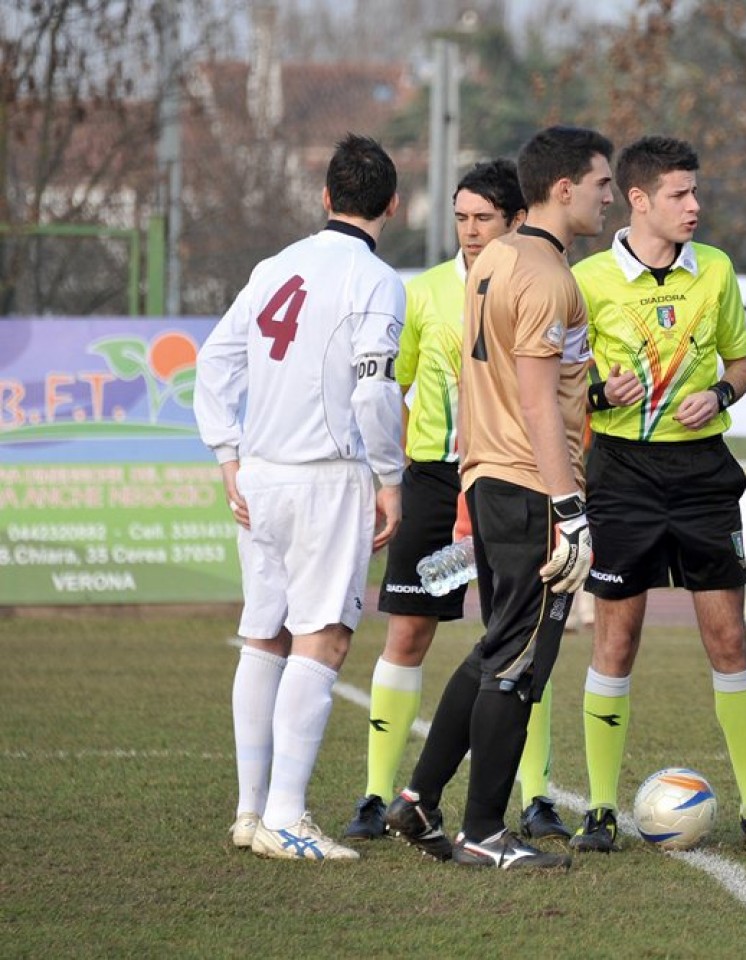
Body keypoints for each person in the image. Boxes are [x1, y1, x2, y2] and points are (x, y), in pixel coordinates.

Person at [384, 125, 613, 871]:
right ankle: (484, 832)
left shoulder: (494, 261)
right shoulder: (546, 274)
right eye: (603, 183)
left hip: (488, 476)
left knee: (495, 648)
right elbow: (542, 403)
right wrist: (571, 512)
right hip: (530, 486)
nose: (610, 197)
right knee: (519, 662)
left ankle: (418, 800)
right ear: (566, 188)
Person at [568, 135, 746, 855]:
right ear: (638, 201)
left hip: (702, 475)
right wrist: (603, 393)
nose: (695, 205)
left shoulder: (718, 271)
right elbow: (557, 384)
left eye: (695, 192)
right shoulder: (589, 280)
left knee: (728, 637)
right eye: (679, 194)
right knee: (616, 639)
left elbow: (741, 365)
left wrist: (719, 393)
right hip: (623, 475)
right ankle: (602, 809)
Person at [343, 159, 569, 845]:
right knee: (411, 630)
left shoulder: (528, 280)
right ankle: (379, 795)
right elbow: (397, 386)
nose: (469, 232)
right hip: (440, 485)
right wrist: (402, 476)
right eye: (461, 218)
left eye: (483, 219)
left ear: (514, 222)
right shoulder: (423, 293)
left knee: (512, 632)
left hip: (503, 485)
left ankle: (535, 797)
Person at [196, 133, 406, 861]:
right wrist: (390, 478)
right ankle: (286, 816)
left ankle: (251, 812)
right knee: (325, 636)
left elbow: (214, 360)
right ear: (392, 205)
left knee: (265, 634)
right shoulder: (376, 280)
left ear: (325, 197)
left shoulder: (273, 266)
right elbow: (377, 389)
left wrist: (228, 456)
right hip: (326, 476)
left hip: (262, 473)